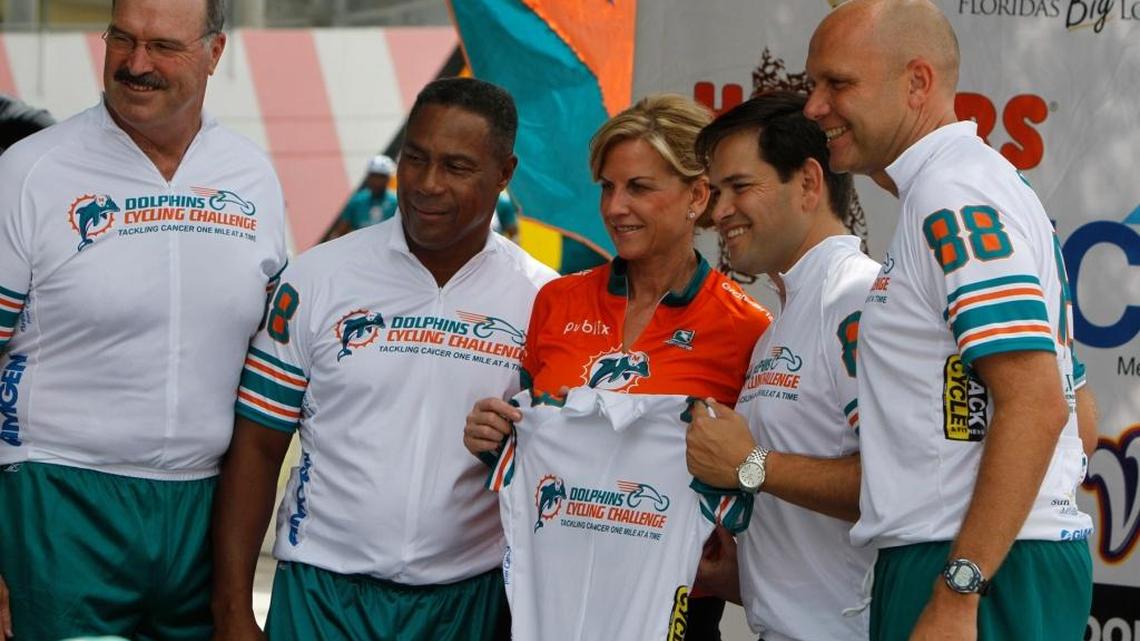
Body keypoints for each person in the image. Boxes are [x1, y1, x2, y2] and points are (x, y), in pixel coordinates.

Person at [210, 77, 557, 641]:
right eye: (414, 158)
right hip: (320, 597)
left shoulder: (545, 300)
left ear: (504, 173)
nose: (427, 184)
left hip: (468, 602)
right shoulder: (316, 278)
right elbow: (257, 445)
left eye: (457, 167)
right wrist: (231, 611)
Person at [803, 1, 1092, 640]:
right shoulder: (964, 184)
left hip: (972, 563)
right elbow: (1078, 408)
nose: (814, 107)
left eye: (838, 83)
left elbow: (1038, 402)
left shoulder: (953, 192)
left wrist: (962, 586)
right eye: (812, 84)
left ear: (917, 82)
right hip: (982, 553)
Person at [0, 0, 288, 638]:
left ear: (214, 53)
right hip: (58, 499)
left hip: (202, 509)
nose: (136, 64)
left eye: (163, 46)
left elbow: (269, 371)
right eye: (122, 39)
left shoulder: (253, 177)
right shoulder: (28, 172)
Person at [463, 94, 773, 641]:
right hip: (546, 601)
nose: (614, 207)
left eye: (639, 188)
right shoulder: (557, 301)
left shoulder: (745, 327)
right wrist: (493, 436)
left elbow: (751, 482)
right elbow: (530, 444)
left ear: (697, 196)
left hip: (671, 609)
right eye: (608, 187)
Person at [684, 90, 880, 641]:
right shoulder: (780, 325)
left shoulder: (857, 297)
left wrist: (750, 465)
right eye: (716, 192)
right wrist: (746, 578)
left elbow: (903, 481)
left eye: (740, 187)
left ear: (810, 183)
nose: (718, 212)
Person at [322, 153, 398, 241]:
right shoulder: (357, 201)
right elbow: (341, 231)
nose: (376, 181)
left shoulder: (395, 203)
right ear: (368, 177)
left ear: (388, 178)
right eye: (373, 176)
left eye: (381, 177)